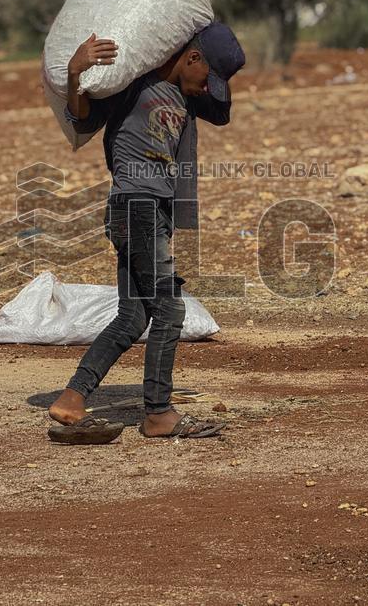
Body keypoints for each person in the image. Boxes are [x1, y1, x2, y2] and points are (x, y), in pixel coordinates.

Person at [47, 22, 245, 440]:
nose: (207, 88)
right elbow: (82, 118)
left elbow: (222, 113)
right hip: (134, 206)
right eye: (206, 77)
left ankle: (72, 397)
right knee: (170, 310)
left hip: (150, 210)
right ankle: (157, 412)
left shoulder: (188, 99)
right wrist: (73, 74)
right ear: (192, 59)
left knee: (133, 316)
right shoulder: (134, 87)